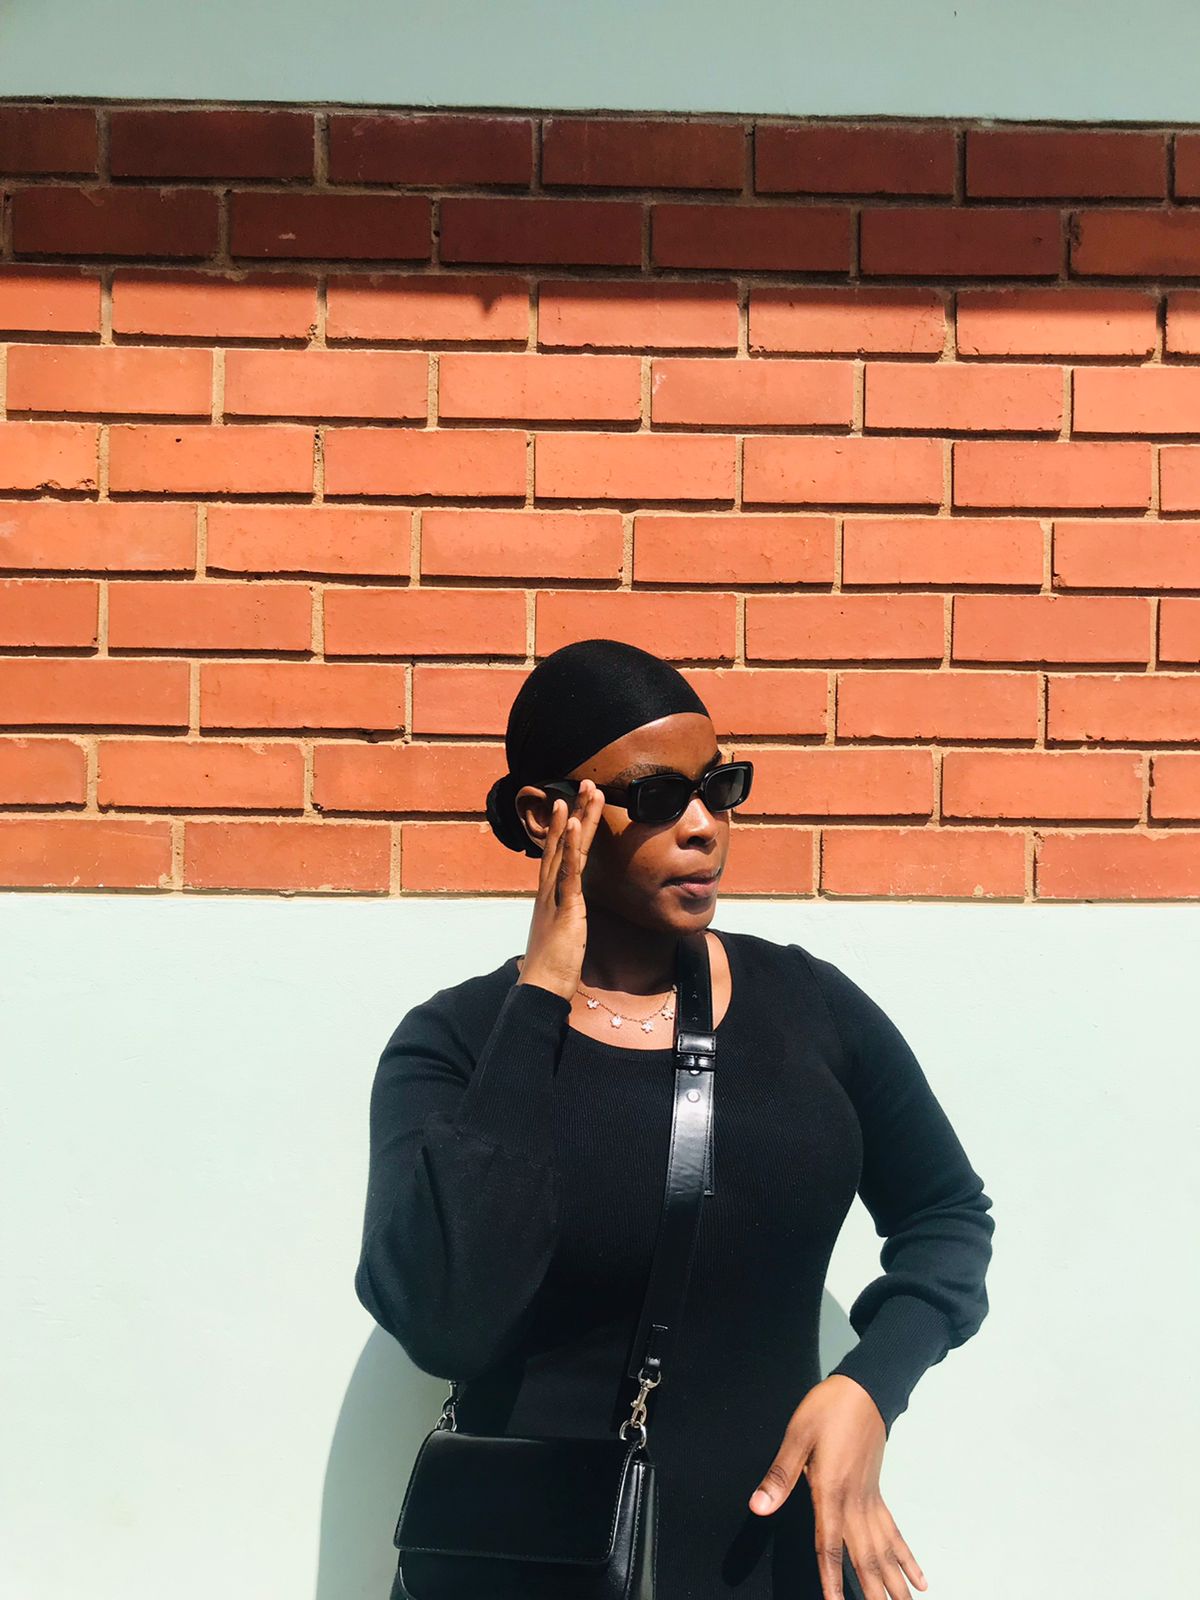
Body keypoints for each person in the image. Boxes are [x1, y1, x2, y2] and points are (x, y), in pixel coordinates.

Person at [355, 637, 995, 1600]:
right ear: (544, 815)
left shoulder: (810, 1008)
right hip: (545, 1572)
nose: (703, 827)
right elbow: (445, 1320)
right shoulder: (455, 1044)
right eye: (656, 797)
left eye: (719, 788)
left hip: (777, 1563)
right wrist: (540, 997)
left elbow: (947, 1215)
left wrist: (871, 1386)